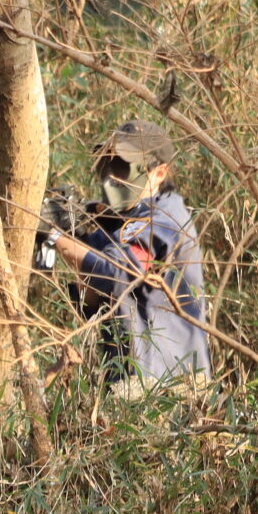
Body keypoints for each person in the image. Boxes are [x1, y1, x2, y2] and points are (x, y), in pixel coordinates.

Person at [38, 120, 211, 394]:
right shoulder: (129, 221)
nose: (112, 176)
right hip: (136, 378)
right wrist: (72, 231)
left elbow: (114, 274)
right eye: (108, 164)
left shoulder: (162, 220)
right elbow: (92, 297)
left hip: (166, 384)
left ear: (159, 173)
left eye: (123, 166)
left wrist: (55, 235)